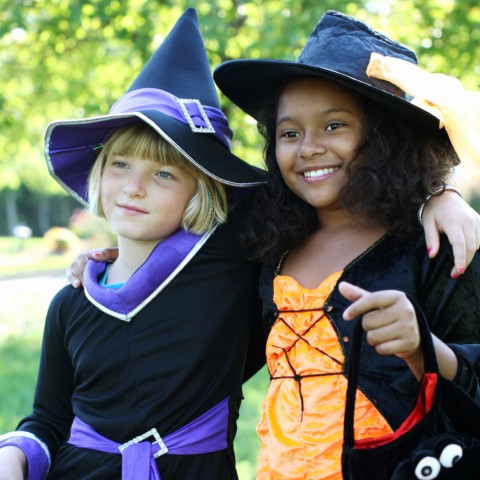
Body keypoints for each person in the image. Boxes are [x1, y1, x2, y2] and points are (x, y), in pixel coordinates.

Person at [0, 8, 267, 480]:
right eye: (120, 164)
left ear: (201, 189)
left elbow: (310, 197)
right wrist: (14, 455)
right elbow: (47, 420)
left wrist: (443, 193)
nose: (134, 187)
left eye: (164, 173)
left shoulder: (230, 266)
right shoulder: (71, 303)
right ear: (99, 175)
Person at [213, 10, 480, 479]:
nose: (308, 147)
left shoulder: (436, 245)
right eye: (289, 132)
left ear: (385, 139)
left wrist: (424, 347)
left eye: (334, 126)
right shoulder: (267, 245)